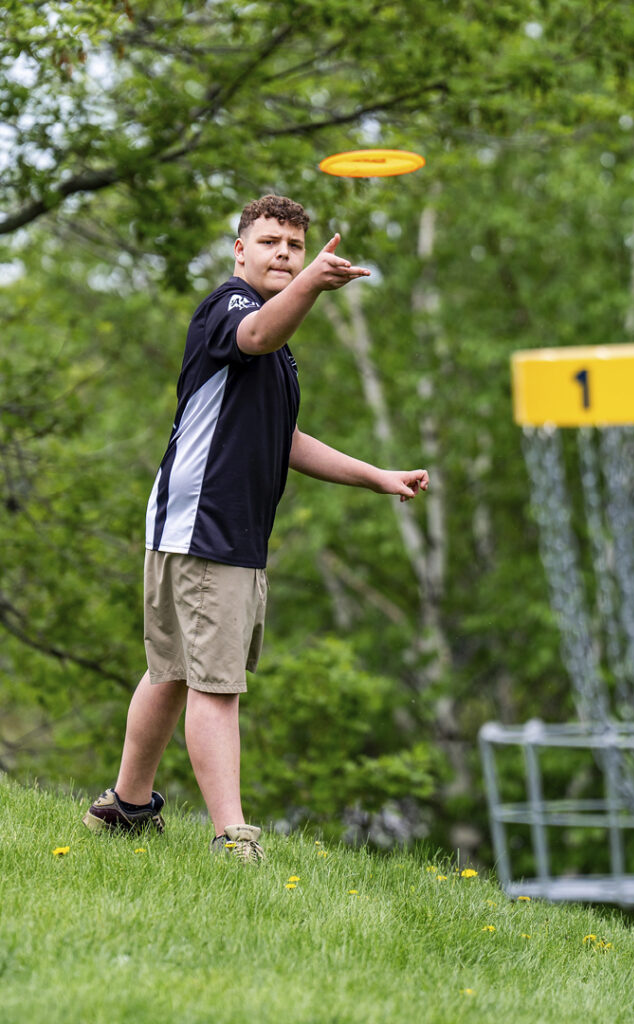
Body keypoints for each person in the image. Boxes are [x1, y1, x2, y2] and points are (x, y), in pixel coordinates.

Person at [83, 195, 428, 862]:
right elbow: (260, 332)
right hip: (206, 525)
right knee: (213, 680)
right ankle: (230, 834)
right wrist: (308, 286)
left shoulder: (277, 353)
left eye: (294, 247)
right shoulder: (232, 308)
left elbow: (286, 439)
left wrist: (377, 476)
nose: (283, 254)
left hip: (205, 529)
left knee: (173, 671)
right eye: (270, 242)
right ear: (239, 250)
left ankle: (126, 806)